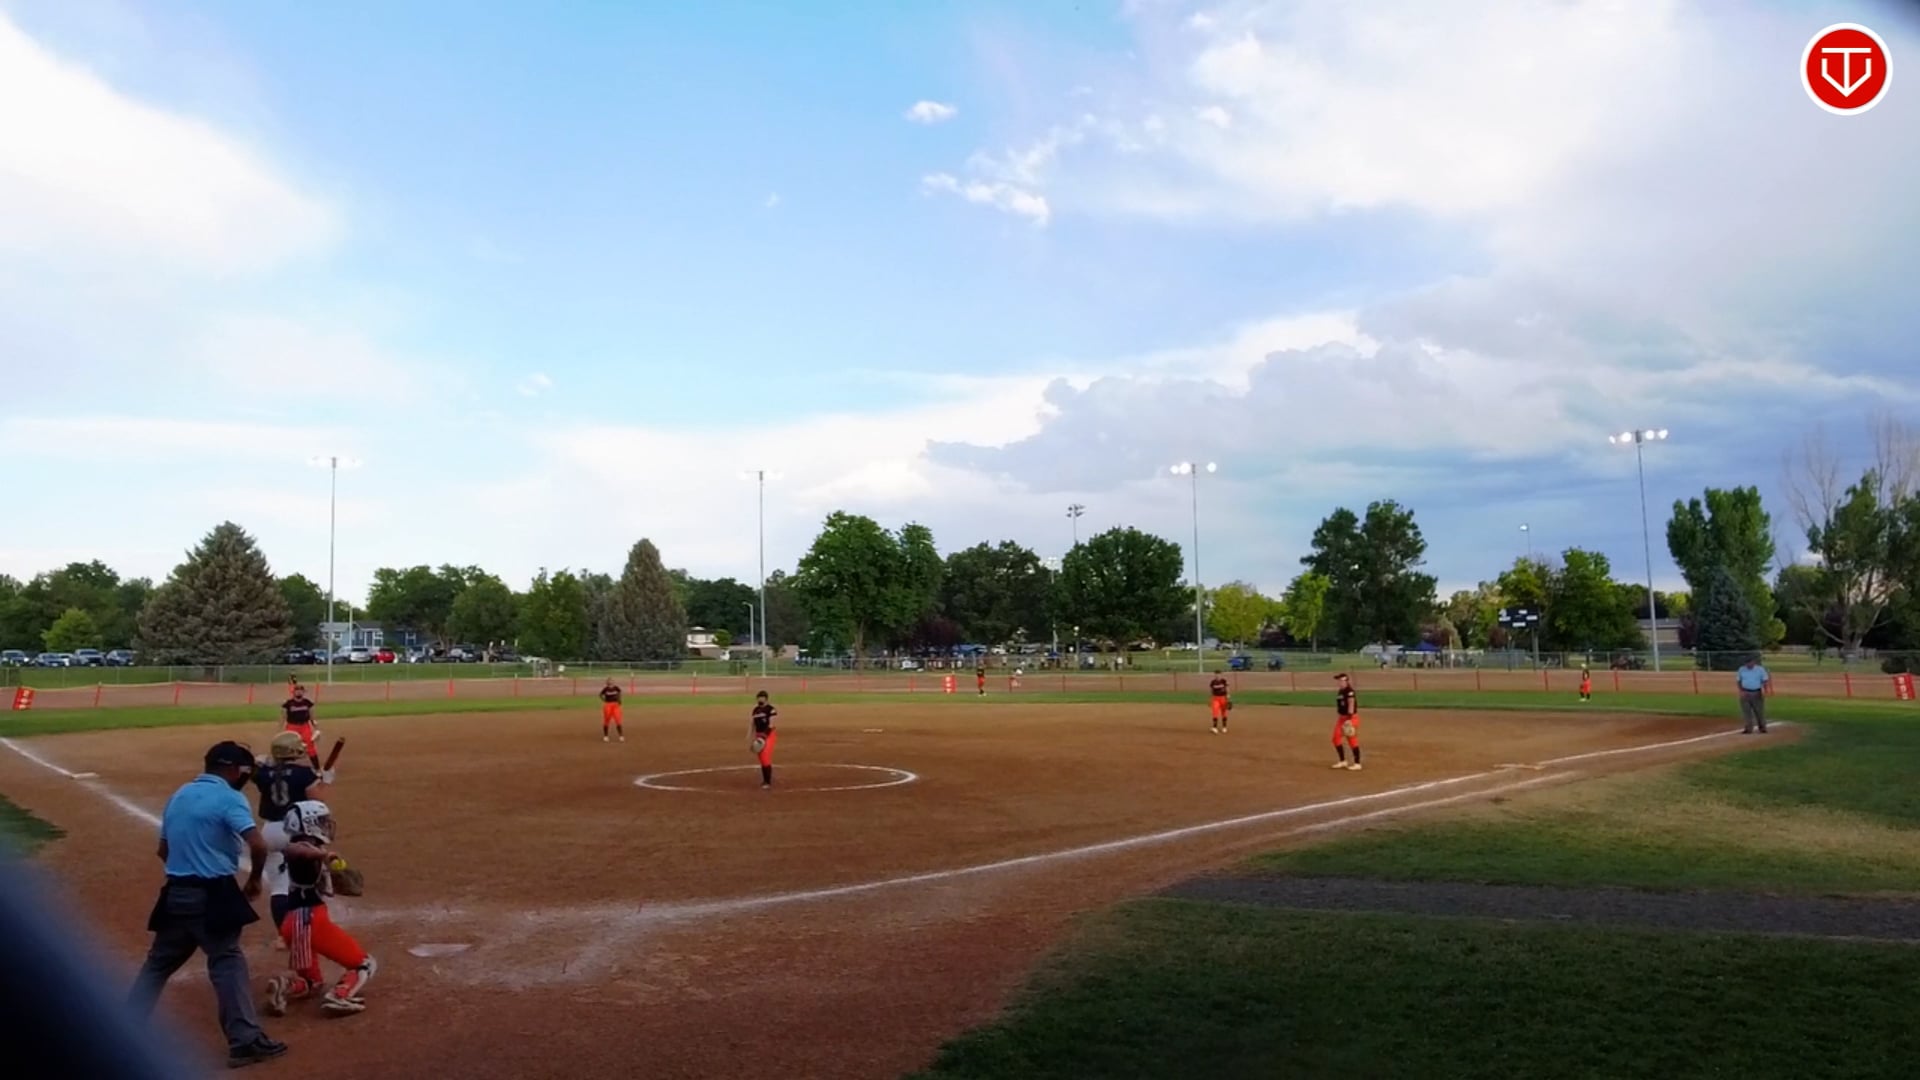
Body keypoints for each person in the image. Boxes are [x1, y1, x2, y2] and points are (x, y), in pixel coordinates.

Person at [127, 741, 287, 1069]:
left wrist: (188, 869)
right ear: (233, 770)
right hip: (213, 894)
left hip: (175, 894)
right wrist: (254, 880)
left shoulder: (180, 794)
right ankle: (245, 1041)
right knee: (227, 961)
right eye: (245, 771)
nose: (246, 777)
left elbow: (163, 851)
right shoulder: (229, 797)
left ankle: (122, 1028)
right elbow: (257, 845)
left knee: (157, 965)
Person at [263, 800, 376, 1017]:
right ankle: (340, 996)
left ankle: (284, 986)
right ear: (308, 823)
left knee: (312, 982)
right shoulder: (299, 848)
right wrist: (323, 856)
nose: (325, 825)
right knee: (364, 964)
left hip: (293, 923)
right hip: (312, 921)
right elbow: (296, 850)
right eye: (321, 821)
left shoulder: (308, 850)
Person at [254, 732, 330, 931]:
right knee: (304, 881)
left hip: (270, 830)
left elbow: (260, 767)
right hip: (295, 831)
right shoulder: (304, 773)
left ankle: (283, 933)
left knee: (279, 887)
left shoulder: (262, 774)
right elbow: (317, 801)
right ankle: (303, 927)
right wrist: (324, 781)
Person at [281, 684, 319, 763]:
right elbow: (283, 718)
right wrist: (280, 730)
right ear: (293, 692)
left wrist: (316, 728)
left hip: (304, 727)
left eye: (301, 691)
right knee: (288, 747)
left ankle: (317, 768)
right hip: (292, 727)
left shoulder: (307, 703)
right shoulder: (288, 704)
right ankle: (284, 767)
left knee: (310, 747)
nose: (299, 692)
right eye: (297, 690)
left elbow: (312, 716)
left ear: (303, 692)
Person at [1332, 673, 1362, 771]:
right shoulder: (1341, 691)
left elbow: (1351, 703)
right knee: (1336, 738)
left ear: (1346, 681)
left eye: (1341, 681)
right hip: (1342, 719)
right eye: (1338, 681)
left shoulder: (1349, 691)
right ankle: (1342, 761)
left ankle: (1357, 763)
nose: (1339, 682)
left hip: (1350, 718)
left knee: (1351, 739)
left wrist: (1349, 719)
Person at [750, 690, 778, 789]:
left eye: (761, 699)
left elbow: (771, 724)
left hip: (769, 735)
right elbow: (753, 724)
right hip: (758, 735)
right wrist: (751, 736)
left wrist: (764, 736)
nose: (760, 701)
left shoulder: (771, 710)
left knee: (765, 757)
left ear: (766, 699)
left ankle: (767, 782)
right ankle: (765, 780)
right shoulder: (755, 710)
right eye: (758, 699)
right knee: (761, 758)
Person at [1736, 655, 1771, 734]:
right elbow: (1739, 681)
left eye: (1749, 662)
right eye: (1746, 663)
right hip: (1745, 693)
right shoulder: (1741, 669)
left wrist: (1765, 690)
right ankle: (1748, 728)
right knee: (1746, 712)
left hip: (1757, 693)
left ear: (1753, 662)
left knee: (1759, 711)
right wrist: (1741, 691)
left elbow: (1764, 680)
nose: (1748, 664)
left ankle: (1762, 727)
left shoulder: (1760, 669)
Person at [599, 678, 625, 743]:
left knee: (618, 720)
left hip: (615, 705)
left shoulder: (616, 688)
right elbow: (600, 695)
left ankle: (621, 736)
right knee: (607, 720)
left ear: (613, 682)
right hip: (608, 705)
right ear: (607, 682)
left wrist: (619, 699)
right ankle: (606, 736)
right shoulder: (605, 689)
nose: (611, 682)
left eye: (612, 681)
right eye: (609, 681)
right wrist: (604, 700)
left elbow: (619, 692)